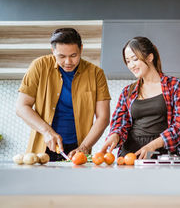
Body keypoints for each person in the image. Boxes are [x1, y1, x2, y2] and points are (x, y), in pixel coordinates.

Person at [16, 28, 111, 161]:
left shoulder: (96, 74)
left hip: (78, 150)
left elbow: (103, 117)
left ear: (81, 49)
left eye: (73, 56)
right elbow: (22, 107)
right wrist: (47, 132)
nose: (68, 62)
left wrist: (84, 147)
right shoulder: (39, 66)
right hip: (42, 146)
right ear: (53, 51)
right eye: (61, 56)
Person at [101, 36, 180, 159]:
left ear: (149, 57)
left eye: (135, 59)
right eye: (128, 61)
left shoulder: (174, 86)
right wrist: (114, 136)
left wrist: (152, 146)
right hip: (131, 154)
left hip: (163, 153)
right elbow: (119, 123)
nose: (131, 65)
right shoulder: (127, 91)